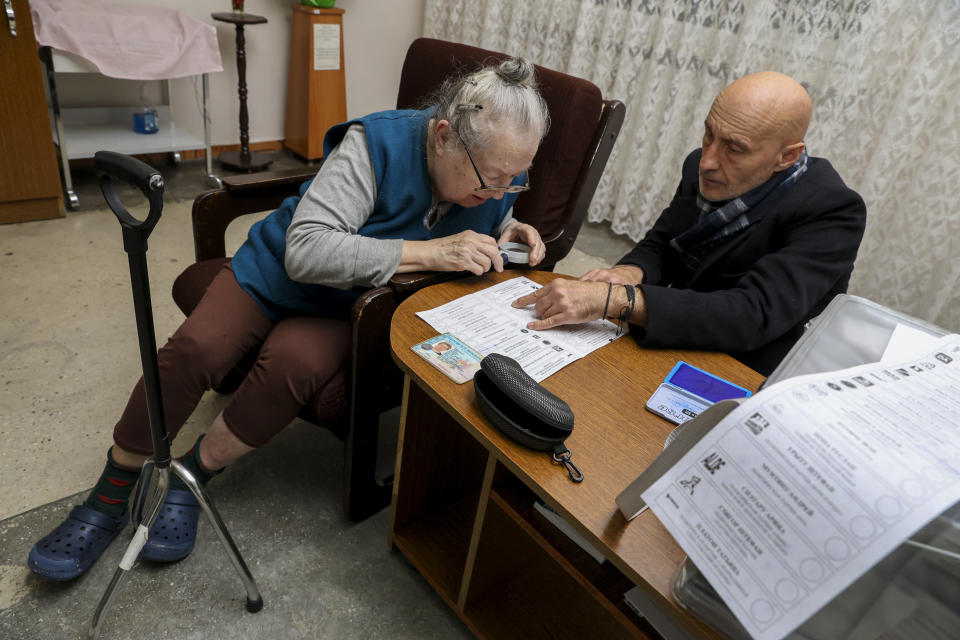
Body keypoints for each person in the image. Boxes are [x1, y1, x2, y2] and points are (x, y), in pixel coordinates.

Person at [29, 58, 550, 581]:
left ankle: (194, 473)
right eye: (493, 178)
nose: (501, 189)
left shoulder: (490, 179)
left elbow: (487, 207)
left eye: (516, 179)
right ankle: (113, 487)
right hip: (279, 273)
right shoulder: (376, 147)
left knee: (294, 365)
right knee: (199, 348)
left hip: (347, 305)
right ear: (443, 137)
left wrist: (510, 225)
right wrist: (431, 253)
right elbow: (306, 251)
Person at [513, 71, 866, 376]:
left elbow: (752, 314)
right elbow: (663, 243)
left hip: (743, 362)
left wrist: (618, 299)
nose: (708, 160)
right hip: (676, 327)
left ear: (787, 156)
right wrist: (629, 274)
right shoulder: (702, 167)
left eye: (734, 148)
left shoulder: (832, 210)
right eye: (709, 134)